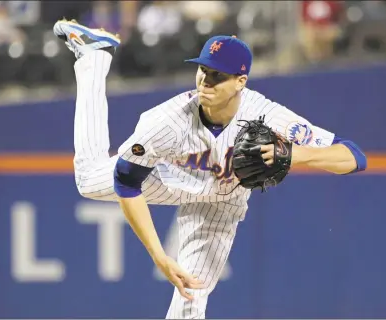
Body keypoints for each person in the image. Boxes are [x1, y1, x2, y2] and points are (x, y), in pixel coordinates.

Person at [53, 19, 367, 319]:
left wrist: (294, 155)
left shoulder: (265, 115)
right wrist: (160, 256)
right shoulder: (166, 122)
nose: (206, 80)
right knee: (86, 180)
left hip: (222, 203)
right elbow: (126, 180)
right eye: (203, 70)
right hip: (169, 176)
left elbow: (353, 157)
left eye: (218, 75)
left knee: (190, 303)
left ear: (241, 81)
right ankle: (94, 57)